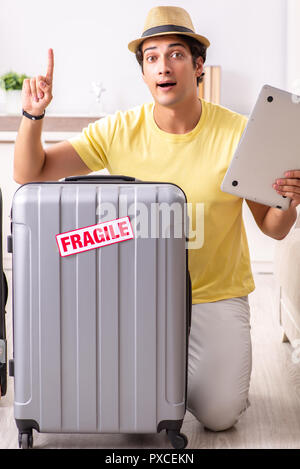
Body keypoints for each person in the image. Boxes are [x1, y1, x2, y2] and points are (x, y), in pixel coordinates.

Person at [14, 6, 300, 432]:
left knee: (220, 416)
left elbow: (272, 228)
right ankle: (163, 380)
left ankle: (185, 377)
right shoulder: (117, 130)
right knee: (135, 417)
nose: (163, 66)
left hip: (213, 295)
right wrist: (33, 116)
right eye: (151, 57)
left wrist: (288, 201)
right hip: (135, 296)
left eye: (176, 54)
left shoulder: (239, 132)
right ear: (144, 73)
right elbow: (30, 172)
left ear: (198, 65)